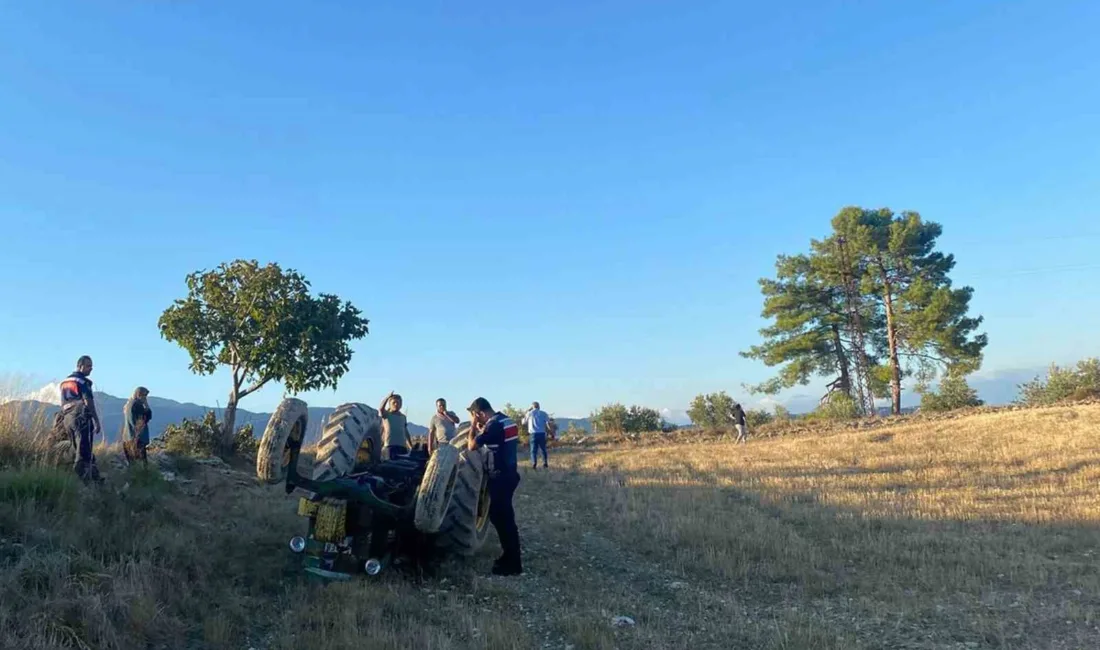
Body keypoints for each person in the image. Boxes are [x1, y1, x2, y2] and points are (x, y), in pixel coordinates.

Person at [466, 397, 522, 576]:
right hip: (510, 474)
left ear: (479, 413)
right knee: (503, 518)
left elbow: (471, 445)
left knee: (503, 520)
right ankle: (509, 556)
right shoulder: (506, 421)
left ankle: (513, 564)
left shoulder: (494, 425)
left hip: (500, 477)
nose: (477, 420)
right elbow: (497, 439)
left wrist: (473, 427)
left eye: (475, 416)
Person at [59, 355, 103, 482]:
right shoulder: (83, 382)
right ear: (80, 366)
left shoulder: (64, 382)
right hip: (80, 416)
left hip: (67, 417)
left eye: (92, 366)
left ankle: (94, 477)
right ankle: (84, 479)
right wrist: (96, 420)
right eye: (88, 366)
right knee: (84, 448)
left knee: (76, 447)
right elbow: (88, 401)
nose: (91, 369)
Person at [122, 386, 153, 466]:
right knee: (142, 465)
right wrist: (146, 405)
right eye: (144, 396)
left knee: (132, 465)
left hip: (127, 438)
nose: (145, 398)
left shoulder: (129, 405)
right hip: (137, 439)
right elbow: (146, 418)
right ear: (139, 395)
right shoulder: (137, 405)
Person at [379, 391, 411, 460]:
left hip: (402, 447)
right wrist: (387, 397)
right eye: (394, 403)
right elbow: (380, 409)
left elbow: (405, 431)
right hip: (389, 447)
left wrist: (411, 446)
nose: (396, 404)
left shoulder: (403, 417)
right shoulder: (386, 415)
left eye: (398, 403)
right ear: (389, 404)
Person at [522, 401, 550, 469]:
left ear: (532, 407)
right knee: (543, 449)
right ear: (539, 406)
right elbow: (548, 423)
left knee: (533, 450)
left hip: (533, 434)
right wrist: (550, 431)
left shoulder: (529, 413)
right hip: (541, 433)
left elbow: (523, 422)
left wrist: (526, 412)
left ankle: (534, 463)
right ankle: (545, 463)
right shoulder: (544, 413)